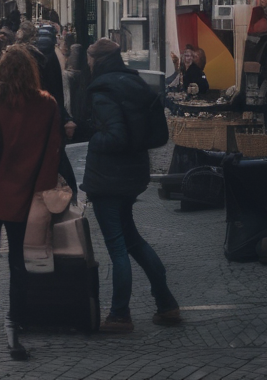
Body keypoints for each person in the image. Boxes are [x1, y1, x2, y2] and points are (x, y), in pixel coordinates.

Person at [79, 38, 180, 333]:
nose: (87, 64)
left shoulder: (102, 89)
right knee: (132, 239)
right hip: (132, 175)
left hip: (108, 179)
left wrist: (89, 137)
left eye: (89, 59)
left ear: (96, 60)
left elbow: (115, 136)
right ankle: (166, 303)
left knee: (117, 246)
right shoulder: (133, 82)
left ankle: (120, 315)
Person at [0, 47, 62, 359]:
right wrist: (43, 191)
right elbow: (52, 152)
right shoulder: (47, 104)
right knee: (19, 260)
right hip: (25, 193)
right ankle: (16, 319)